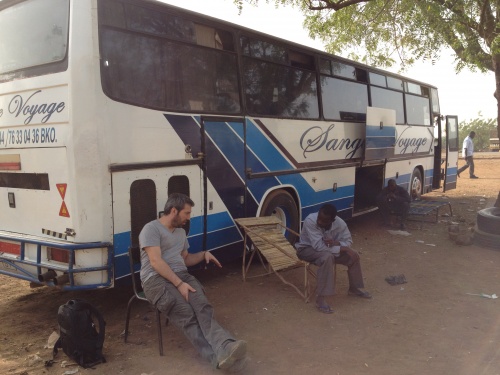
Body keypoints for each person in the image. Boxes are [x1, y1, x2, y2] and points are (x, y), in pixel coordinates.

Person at [139, 193, 247, 372]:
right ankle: (217, 358)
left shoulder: (181, 233)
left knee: (203, 307)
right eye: (186, 213)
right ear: (174, 211)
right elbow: (156, 262)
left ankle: (226, 347)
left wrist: (204, 254)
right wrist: (179, 284)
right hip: (156, 281)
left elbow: (186, 259)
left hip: (182, 276)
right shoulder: (151, 229)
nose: (189, 218)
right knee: (187, 314)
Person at [295, 204, 371, 314]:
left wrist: (338, 243)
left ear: (332, 220)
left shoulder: (340, 224)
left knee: (353, 255)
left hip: (329, 250)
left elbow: (348, 241)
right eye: (319, 218)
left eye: (324, 221)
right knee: (327, 257)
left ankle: (354, 289)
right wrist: (343, 248)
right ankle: (321, 299)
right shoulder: (310, 220)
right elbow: (319, 247)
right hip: (306, 250)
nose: (320, 222)